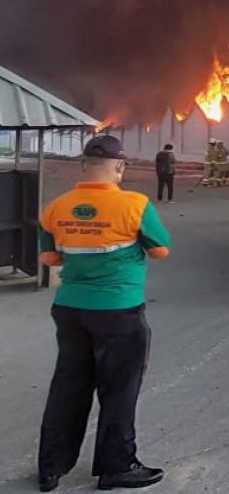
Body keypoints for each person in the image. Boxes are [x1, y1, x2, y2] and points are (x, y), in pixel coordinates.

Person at [36, 135, 171, 491]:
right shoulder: (135, 204)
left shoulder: (56, 207)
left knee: (68, 386)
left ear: (83, 166)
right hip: (117, 311)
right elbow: (161, 251)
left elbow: (50, 258)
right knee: (119, 390)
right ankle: (117, 466)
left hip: (69, 309)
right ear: (120, 167)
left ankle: (50, 468)